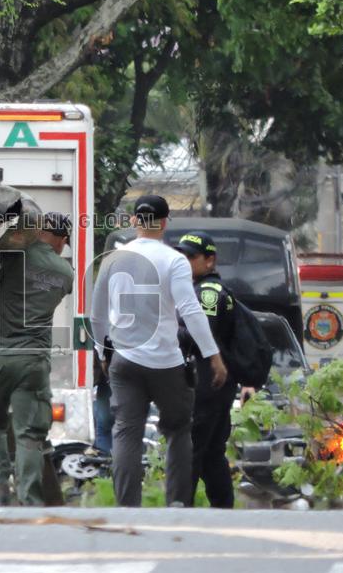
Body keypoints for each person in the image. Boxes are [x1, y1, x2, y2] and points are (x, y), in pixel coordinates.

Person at [90, 195, 227, 507]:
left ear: (133, 221)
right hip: (166, 363)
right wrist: (213, 355)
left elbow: (96, 315)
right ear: (165, 222)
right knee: (178, 429)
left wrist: (102, 353)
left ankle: (127, 507)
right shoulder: (174, 260)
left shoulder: (112, 259)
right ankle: (176, 502)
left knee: (126, 432)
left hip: (124, 359)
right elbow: (190, 309)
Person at [0, 221, 74, 506]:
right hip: (33, 362)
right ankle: (29, 501)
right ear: (61, 240)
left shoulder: (9, 255)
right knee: (30, 435)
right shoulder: (65, 272)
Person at [175, 231, 238, 508]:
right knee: (212, 452)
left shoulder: (208, 293)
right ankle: (223, 510)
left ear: (209, 261)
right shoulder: (198, 289)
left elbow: (202, 335)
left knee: (192, 447)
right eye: (181, 256)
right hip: (212, 382)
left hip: (208, 381)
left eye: (191, 257)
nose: (184, 261)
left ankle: (181, 506)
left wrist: (168, 328)